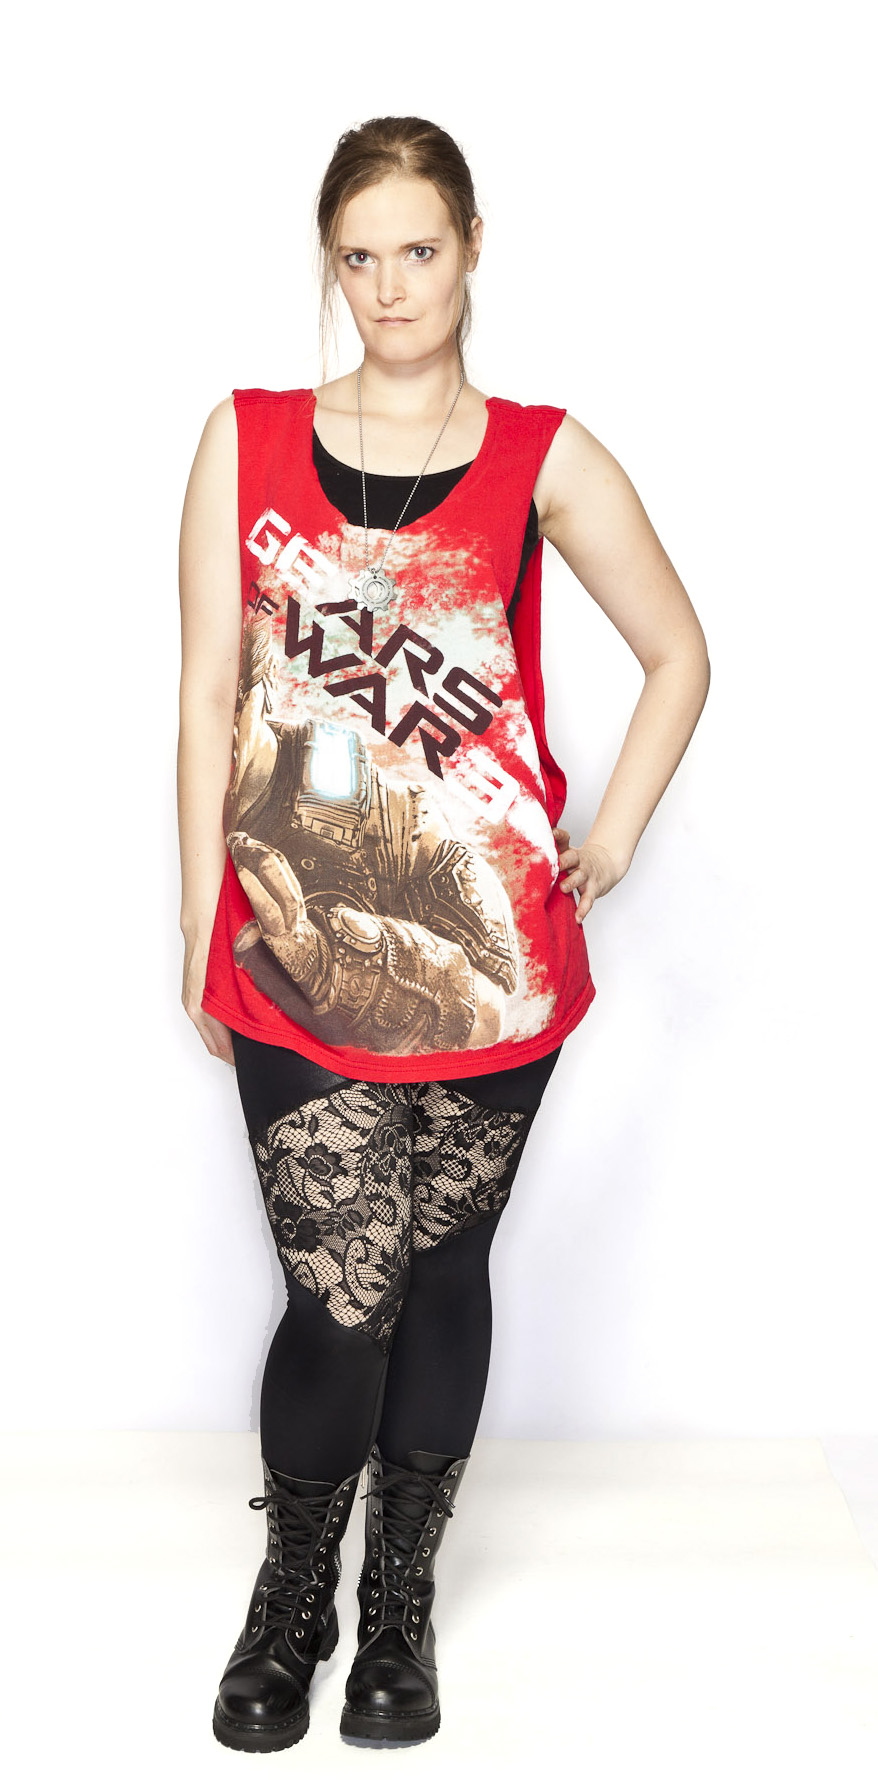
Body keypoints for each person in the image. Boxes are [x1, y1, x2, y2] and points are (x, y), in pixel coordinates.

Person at [177, 116, 710, 1754]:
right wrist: (195, 916)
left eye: (418, 250)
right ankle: (294, 1590)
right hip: (286, 949)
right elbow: (205, 692)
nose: (390, 287)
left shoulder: (542, 453)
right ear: (328, 266)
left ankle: (397, 1599)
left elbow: (679, 654)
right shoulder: (245, 438)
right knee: (339, 1293)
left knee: (440, 1268)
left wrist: (604, 839)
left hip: (490, 959)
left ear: (471, 246)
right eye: (360, 257)